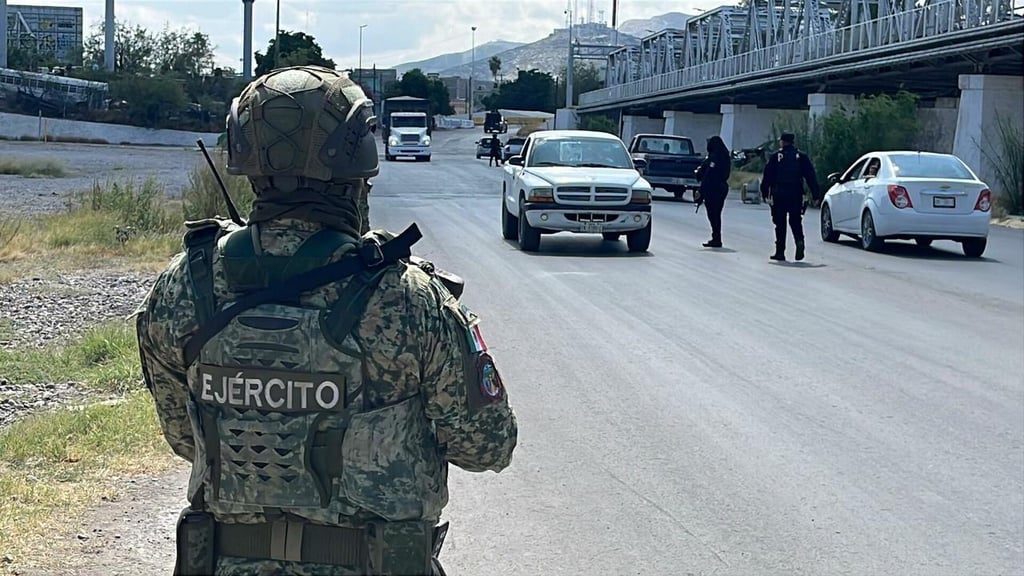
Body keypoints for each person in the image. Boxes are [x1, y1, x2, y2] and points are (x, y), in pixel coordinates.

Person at [134, 65, 518, 576]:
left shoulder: (186, 285)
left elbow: (185, 437)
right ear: (358, 165)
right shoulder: (407, 299)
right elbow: (487, 446)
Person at [759, 132, 820, 261]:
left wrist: (764, 192)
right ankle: (799, 241)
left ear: (782, 142)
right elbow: (810, 176)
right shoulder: (801, 157)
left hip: (779, 193)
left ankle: (780, 252)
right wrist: (816, 194)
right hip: (795, 193)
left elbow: (767, 176)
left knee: (780, 223)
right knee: (795, 220)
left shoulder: (776, 157)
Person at [694, 135, 732, 248]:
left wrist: (701, 190)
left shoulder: (715, 157)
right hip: (721, 187)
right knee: (716, 214)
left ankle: (716, 238)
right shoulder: (724, 156)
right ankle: (716, 237)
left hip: (713, 188)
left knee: (713, 214)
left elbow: (708, 174)